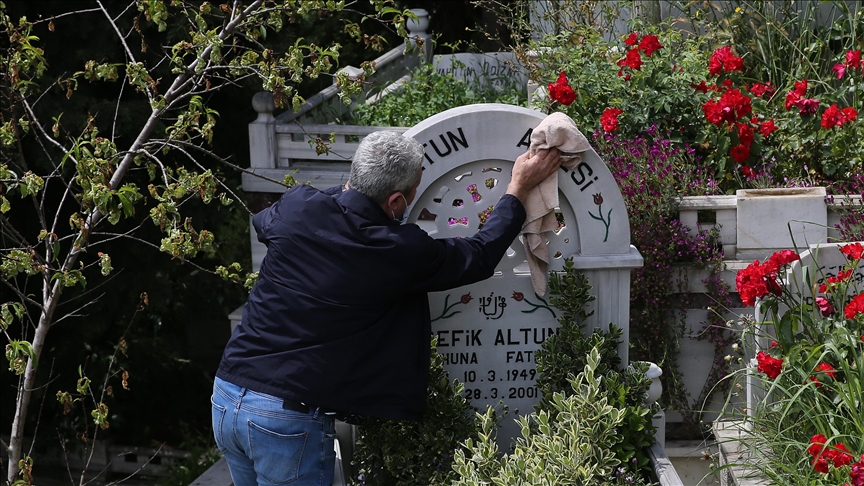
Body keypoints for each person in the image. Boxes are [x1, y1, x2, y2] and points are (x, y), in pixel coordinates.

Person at [212, 130, 562, 486]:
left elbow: (263, 222)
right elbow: (478, 255)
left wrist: (348, 196)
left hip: (227, 394)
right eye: (411, 194)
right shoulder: (393, 249)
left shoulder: (298, 205)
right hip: (286, 421)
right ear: (395, 202)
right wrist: (517, 188)